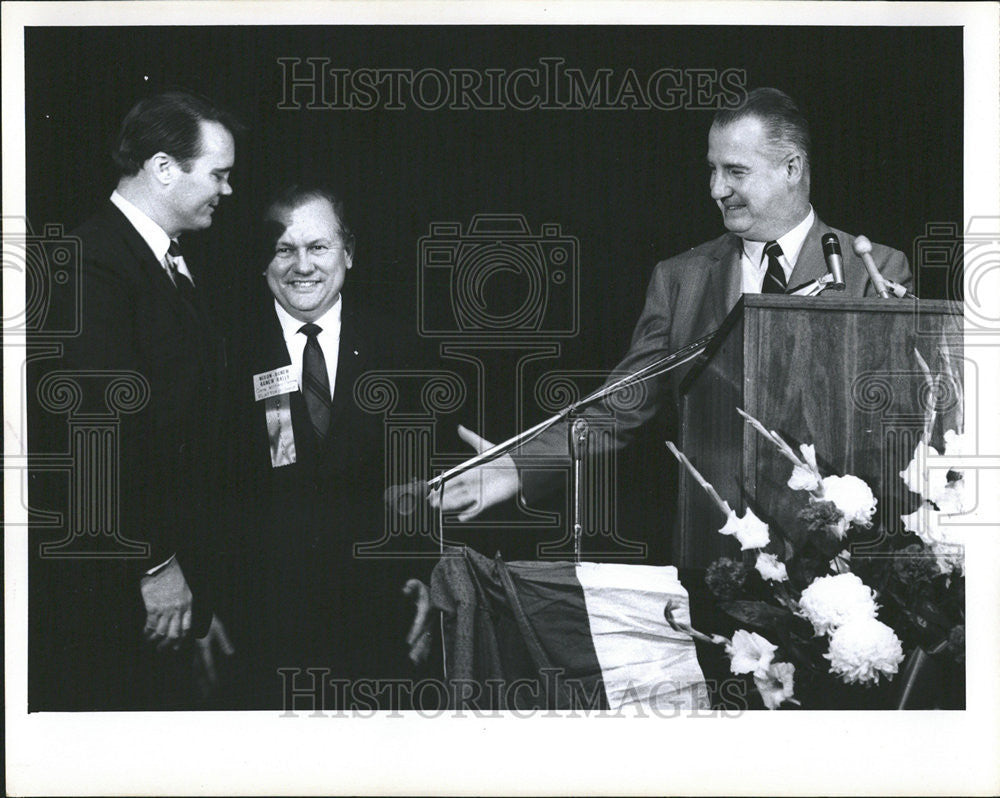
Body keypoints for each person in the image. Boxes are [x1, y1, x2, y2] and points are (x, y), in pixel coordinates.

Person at [430, 87, 912, 522]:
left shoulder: (876, 270)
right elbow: (620, 406)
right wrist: (519, 466)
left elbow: (891, 424)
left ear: (792, 168)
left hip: (839, 543)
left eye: (735, 172)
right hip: (714, 543)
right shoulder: (680, 279)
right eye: (713, 170)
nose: (717, 189)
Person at [29, 91, 239, 710]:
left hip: (170, 572)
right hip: (122, 583)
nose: (227, 190)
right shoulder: (93, 263)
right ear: (164, 168)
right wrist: (154, 565)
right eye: (218, 174)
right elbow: (92, 435)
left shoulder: (161, 261)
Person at [224, 185, 433, 709]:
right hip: (259, 627)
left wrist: (432, 580)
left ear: (349, 253)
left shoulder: (400, 349)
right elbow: (205, 487)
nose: (302, 266)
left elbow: (423, 479)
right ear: (263, 260)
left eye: (317, 247)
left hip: (382, 621)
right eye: (284, 249)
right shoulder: (224, 351)